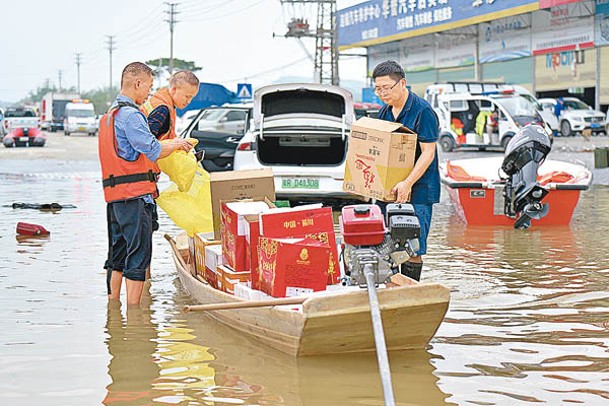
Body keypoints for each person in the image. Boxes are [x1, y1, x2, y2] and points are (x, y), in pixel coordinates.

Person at [100, 62, 194, 305]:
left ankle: (113, 306)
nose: (149, 94)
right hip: (135, 196)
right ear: (137, 83)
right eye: (148, 87)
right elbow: (152, 149)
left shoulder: (110, 116)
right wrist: (177, 144)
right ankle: (135, 318)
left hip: (115, 198)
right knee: (139, 255)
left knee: (117, 254)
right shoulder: (131, 116)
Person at [371, 60, 440, 281]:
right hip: (390, 187)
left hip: (418, 188)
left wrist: (408, 183)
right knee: (386, 243)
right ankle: (391, 290)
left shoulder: (423, 111)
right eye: (378, 88)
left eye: (386, 88)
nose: (382, 93)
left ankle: (412, 292)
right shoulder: (384, 112)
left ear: (403, 84)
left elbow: (428, 153)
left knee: (414, 247)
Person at [141, 70, 200, 140]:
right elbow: (146, 142)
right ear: (174, 89)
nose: (189, 101)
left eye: (192, 97)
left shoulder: (163, 101)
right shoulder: (162, 109)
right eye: (187, 96)